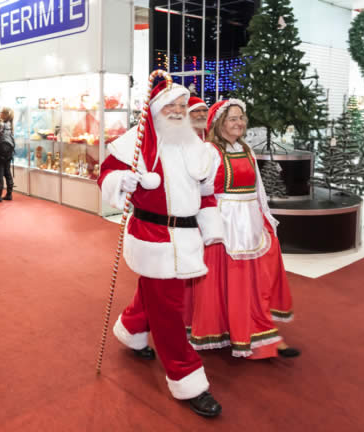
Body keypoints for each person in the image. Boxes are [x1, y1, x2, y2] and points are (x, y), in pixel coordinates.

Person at [98, 80, 223, 418]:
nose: (179, 113)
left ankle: (132, 328)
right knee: (169, 309)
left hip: (187, 236)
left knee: (155, 294)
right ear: (156, 110)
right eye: (172, 106)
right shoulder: (134, 143)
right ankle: (187, 378)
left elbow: (207, 192)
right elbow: (107, 173)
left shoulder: (195, 146)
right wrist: (119, 183)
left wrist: (212, 228)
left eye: (183, 107)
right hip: (153, 236)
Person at [186, 99, 298, 359]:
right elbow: (200, 189)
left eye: (241, 118)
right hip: (223, 225)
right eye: (233, 118)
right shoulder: (210, 151)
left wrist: (266, 217)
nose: (239, 123)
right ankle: (230, 329)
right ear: (220, 123)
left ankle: (262, 333)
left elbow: (258, 188)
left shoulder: (246, 148)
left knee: (254, 281)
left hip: (249, 223)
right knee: (227, 281)